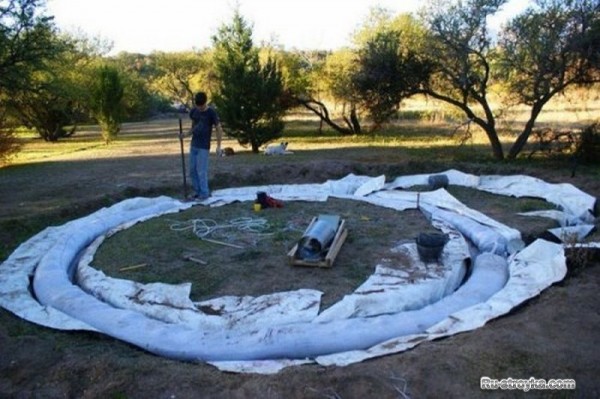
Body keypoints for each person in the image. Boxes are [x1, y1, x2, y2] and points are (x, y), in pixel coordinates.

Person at [180, 92, 223, 200]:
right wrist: (185, 135)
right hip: (194, 145)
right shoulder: (194, 111)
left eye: (201, 106)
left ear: (205, 103)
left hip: (204, 147)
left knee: (201, 171)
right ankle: (197, 191)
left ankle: (204, 193)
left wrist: (218, 146)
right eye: (198, 106)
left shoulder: (211, 113)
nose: (200, 108)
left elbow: (219, 128)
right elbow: (193, 127)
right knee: (192, 170)